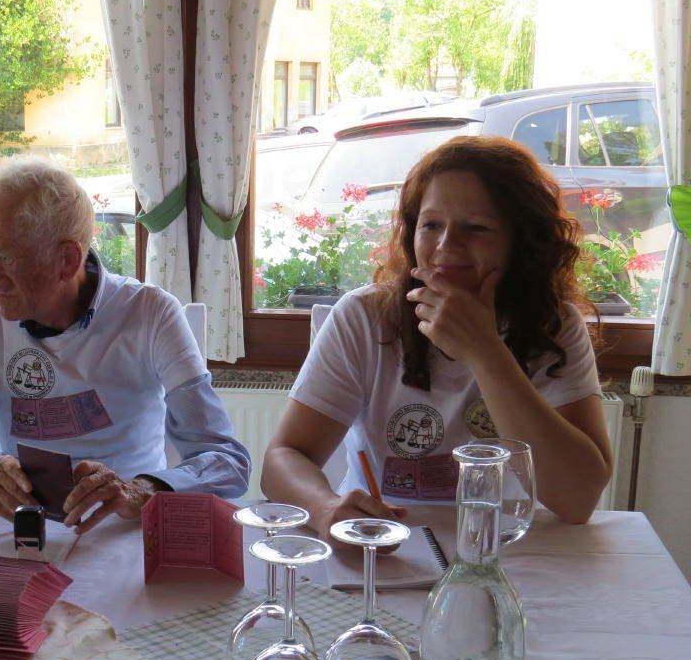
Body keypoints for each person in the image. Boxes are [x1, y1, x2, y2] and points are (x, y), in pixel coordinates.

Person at [262, 135, 612, 540]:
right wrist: (326, 509)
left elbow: (577, 500)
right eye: (431, 225)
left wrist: (485, 352)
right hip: (386, 540)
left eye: (476, 228)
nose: (446, 245)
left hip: (505, 544)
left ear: (521, 241)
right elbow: (281, 459)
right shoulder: (365, 317)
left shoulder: (555, 325)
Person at [0, 157, 250, 532]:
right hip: (19, 527)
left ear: (66, 260)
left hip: (123, 530)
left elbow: (226, 460)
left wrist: (140, 490)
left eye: (5, 258)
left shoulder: (151, 313)